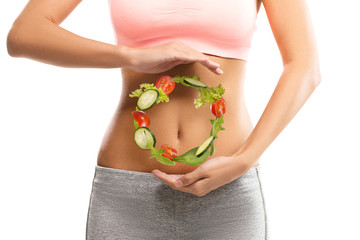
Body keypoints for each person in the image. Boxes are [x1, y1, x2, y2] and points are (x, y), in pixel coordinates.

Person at [7, 0, 321, 239]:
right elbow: (23, 34)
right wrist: (132, 55)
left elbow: (304, 66)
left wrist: (245, 159)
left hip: (227, 192)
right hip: (126, 195)